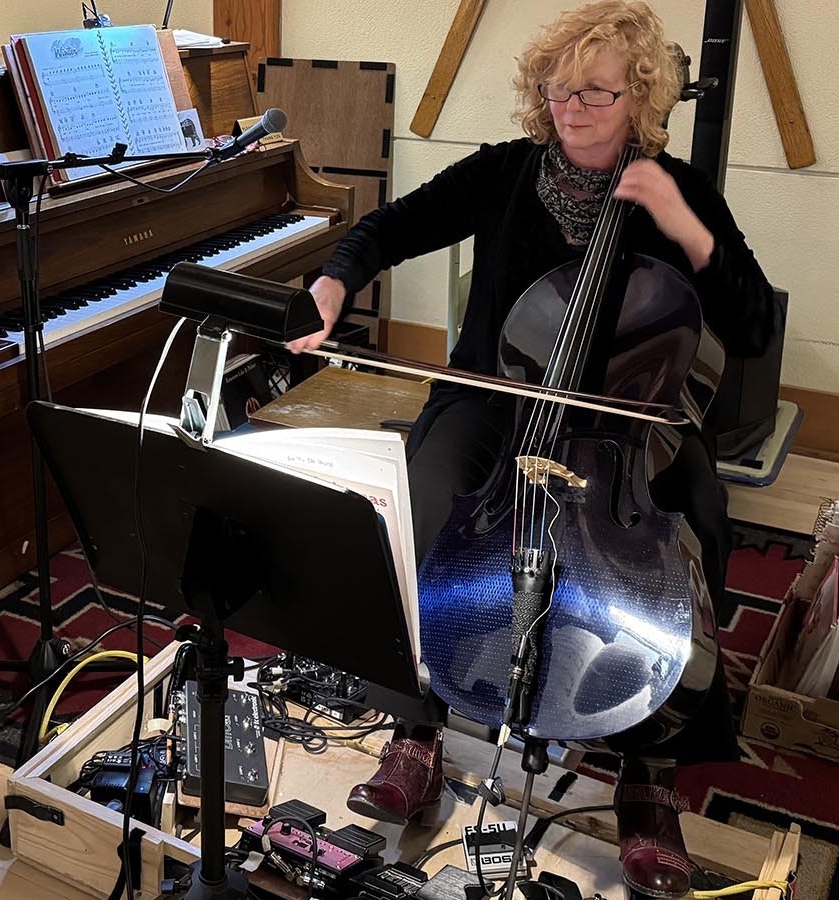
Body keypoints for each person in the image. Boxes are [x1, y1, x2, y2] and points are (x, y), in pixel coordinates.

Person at [285, 1, 782, 896]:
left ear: (641, 97)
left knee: (698, 528)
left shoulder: (678, 193)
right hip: (498, 398)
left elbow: (747, 323)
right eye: (558, 90)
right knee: (421, 498)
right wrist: (333, 279)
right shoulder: (507, 175)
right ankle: (417, 726)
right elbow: (390, 228)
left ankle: (647, 776)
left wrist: (683, 219)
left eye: (595, 91)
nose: (572, 107)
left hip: (627, 424)